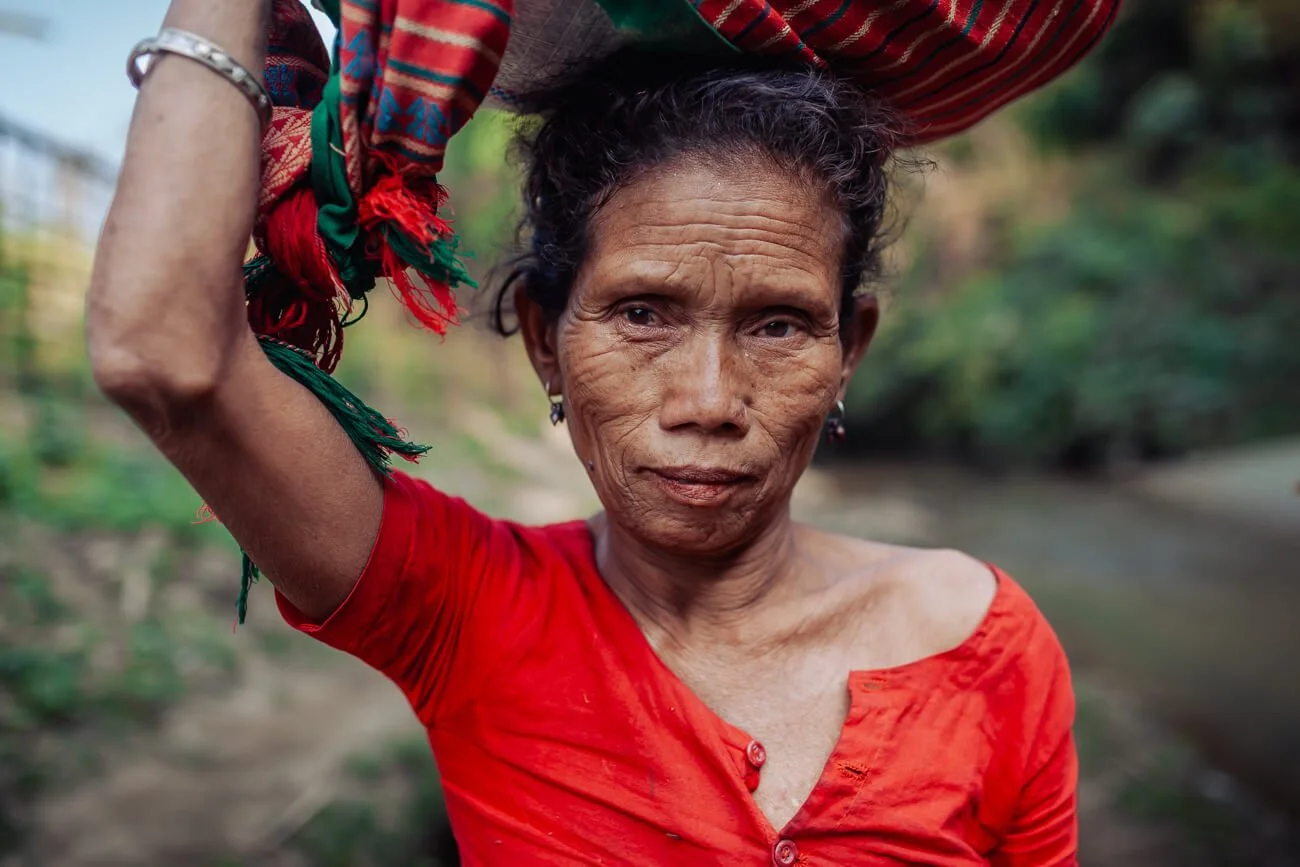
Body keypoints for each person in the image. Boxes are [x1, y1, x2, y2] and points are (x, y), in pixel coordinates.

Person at [90, 1, 1099, 864]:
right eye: (643, 313)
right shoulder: (461, 612)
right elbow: (164, 355)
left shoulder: (988, 645)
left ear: (851, 348)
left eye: (778, 324)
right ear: (542, 338)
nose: (708, 398)